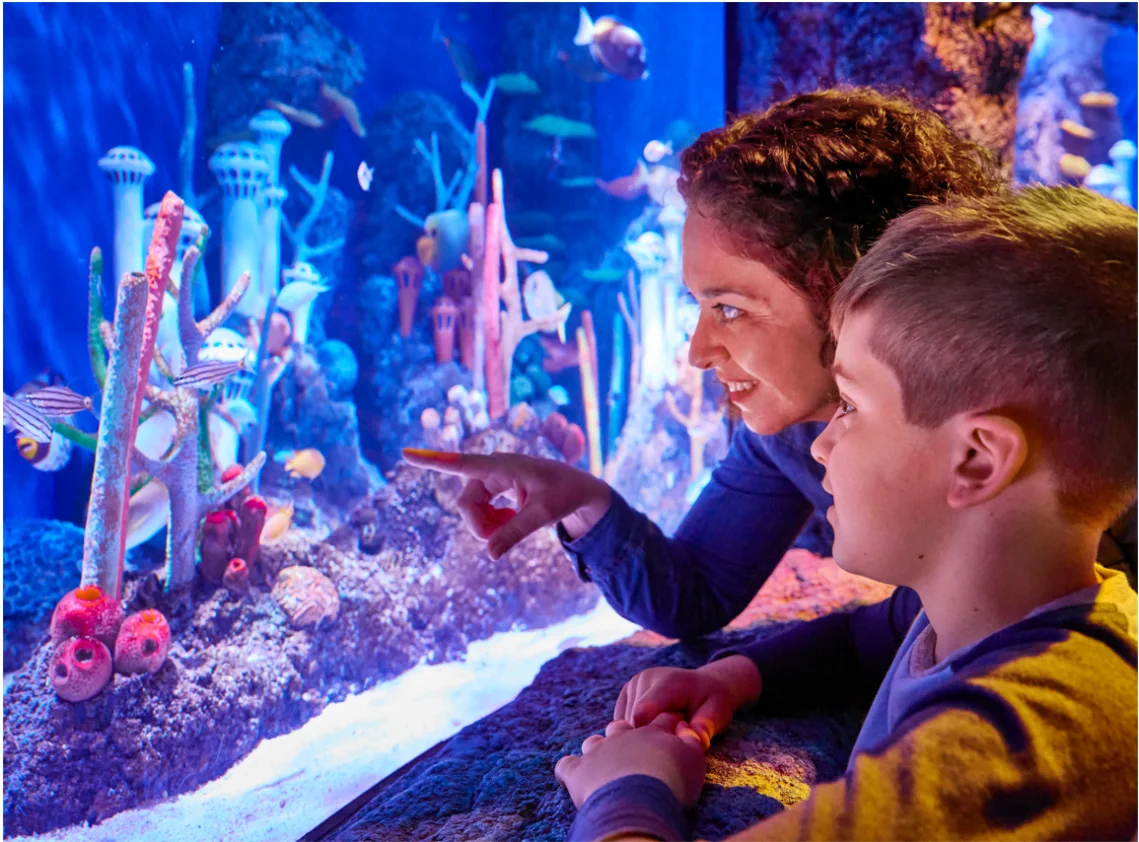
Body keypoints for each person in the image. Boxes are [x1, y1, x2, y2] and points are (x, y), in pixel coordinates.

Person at [553, 186, 1139, 841]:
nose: (823, 441)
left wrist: (626, 791)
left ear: (976, 459)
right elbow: (873, 634)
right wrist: (735, 678)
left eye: (851, 406)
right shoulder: (1015, 611)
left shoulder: (1007, 750)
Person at [403, 87, 1013, 639]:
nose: (697, 353)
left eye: (728, 308)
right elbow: (695, 590)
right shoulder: (793, 434)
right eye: (698, 305)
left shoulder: (1008, 446)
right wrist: (584, 500)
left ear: (857, 291)